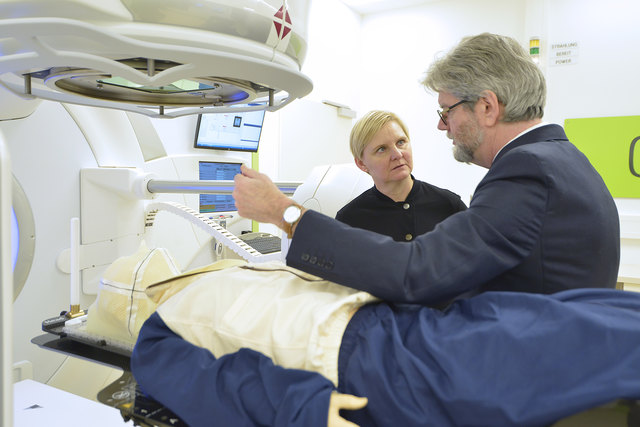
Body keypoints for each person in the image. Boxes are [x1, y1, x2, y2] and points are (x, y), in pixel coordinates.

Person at [231, 32, 620, 306]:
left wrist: (280, 211)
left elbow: (413, 271)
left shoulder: (526, 171)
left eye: (447, 111)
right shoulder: (563, 159)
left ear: (487, 107)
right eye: (381, 149)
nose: (440, 126)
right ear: (362, 164)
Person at [131, 259, 640, 427]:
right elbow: (215, 384)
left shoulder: (226, 267)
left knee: (552, 315)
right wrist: (304, 406)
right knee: (548, 348)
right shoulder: (154, 337)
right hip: (363, 360)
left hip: (398, 319)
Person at [335, 110, 467, 242]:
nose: (397, 154)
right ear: (361, 164)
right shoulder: (349, 220)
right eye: (382, 149)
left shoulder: (450, 206)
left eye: (401, 142)